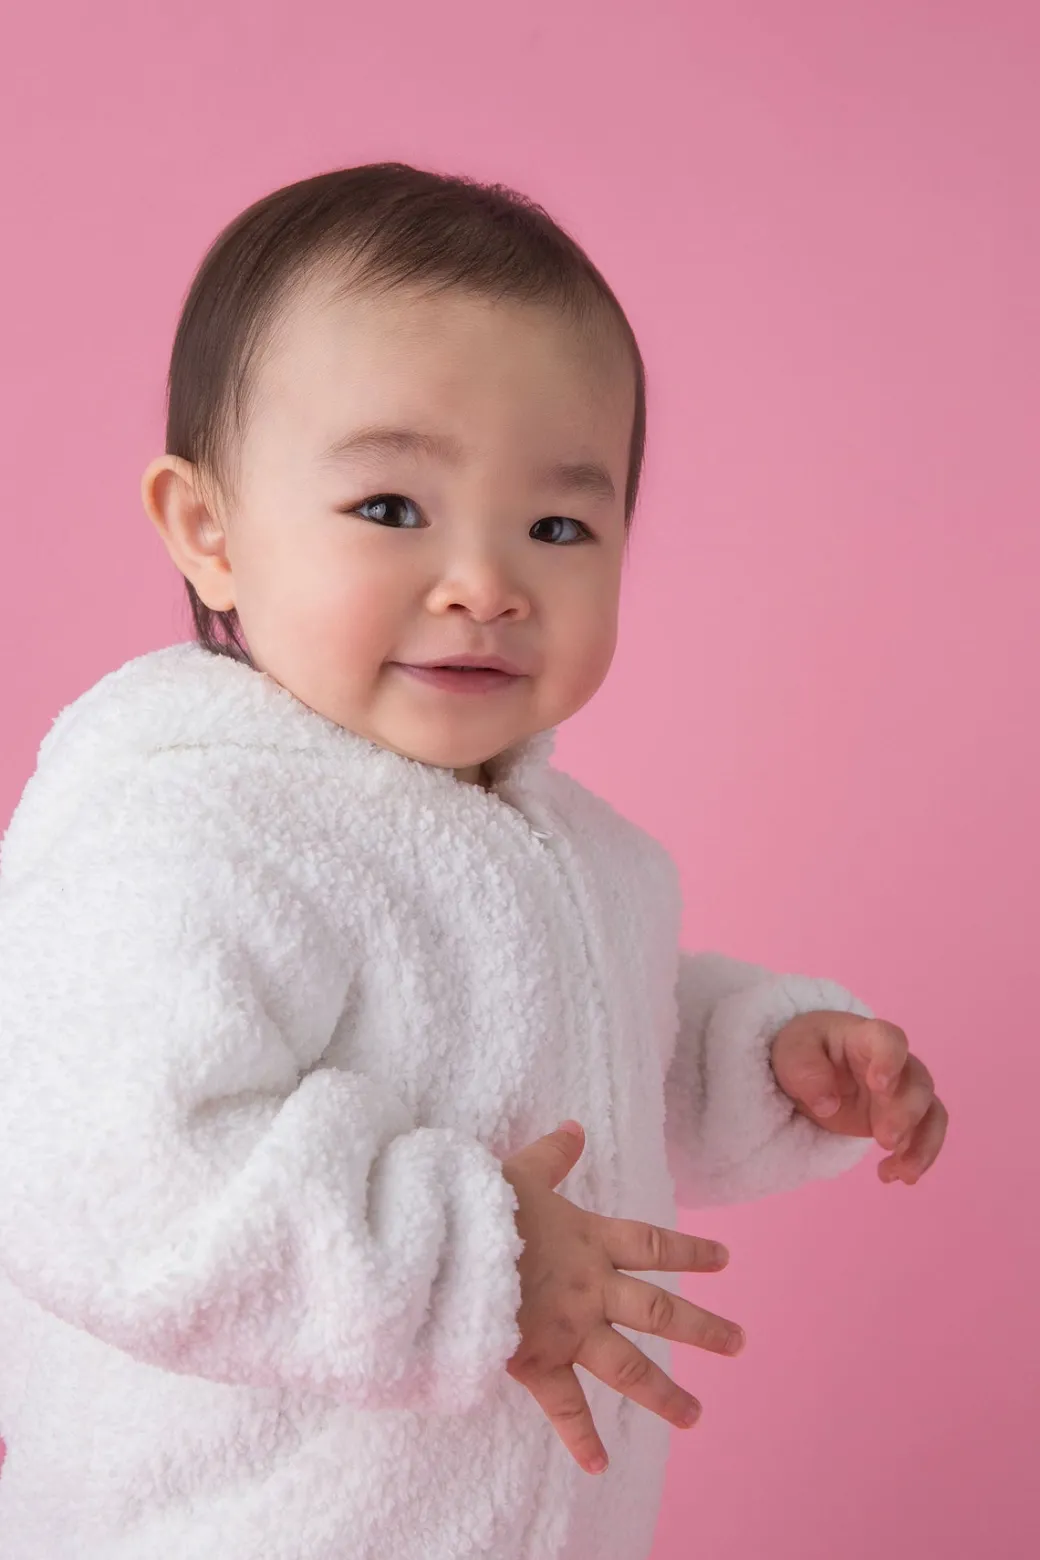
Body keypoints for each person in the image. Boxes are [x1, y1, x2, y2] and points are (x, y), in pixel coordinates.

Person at [0, 163, 948, 1560]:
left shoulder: (582, 853)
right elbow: (111, 1168)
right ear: (209, 532)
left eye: (557, 527)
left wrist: (759, 1057)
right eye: (393, 508)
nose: (488, 585)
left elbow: (591, 1056)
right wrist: (470, 1259)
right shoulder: (187, 829)